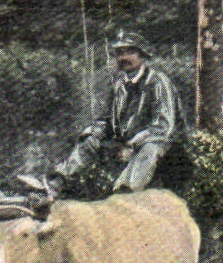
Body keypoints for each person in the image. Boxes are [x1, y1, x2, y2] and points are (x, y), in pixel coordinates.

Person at [35, 30, 182, 197]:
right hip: (128, 142)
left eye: (130, 52)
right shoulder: (119, 85)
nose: (124, 58)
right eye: (119, 53)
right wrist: (95, 131)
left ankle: (125, 192)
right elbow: (109, 120)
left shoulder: (157, 82)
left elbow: (164, 127)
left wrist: (131, 145)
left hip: (162, 146)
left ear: (142, 55)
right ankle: (55, 184)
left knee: (151, 148)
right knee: (91, 140)